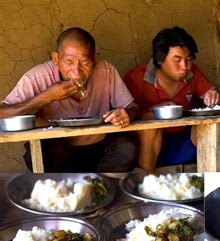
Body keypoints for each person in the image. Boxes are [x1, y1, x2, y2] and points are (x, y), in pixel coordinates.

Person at [0, 27, 140, 172]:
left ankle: (102, 189)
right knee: (54, 148)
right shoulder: (36, 77)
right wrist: (46, 97)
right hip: (57, 153)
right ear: (55, 58)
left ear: (95, 59)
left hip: (97, 146)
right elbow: (2, 113)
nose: (76, 71)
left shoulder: (106, 70)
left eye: (85, 63)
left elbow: (134, 108)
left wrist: (127, 114)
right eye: (69, 61)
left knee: (126, 146)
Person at [124, 26, 220, 172]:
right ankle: (148, 184)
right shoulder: (136, 78)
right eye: (177, 60)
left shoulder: (192, 73)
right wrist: (153, 112)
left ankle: (211, 181)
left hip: (184, 143)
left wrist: (215, 95)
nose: (184, 67)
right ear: (160, 59)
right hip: (150, 149)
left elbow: (217, 95)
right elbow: (126, 116)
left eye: (188, 60)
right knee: (150, 125)